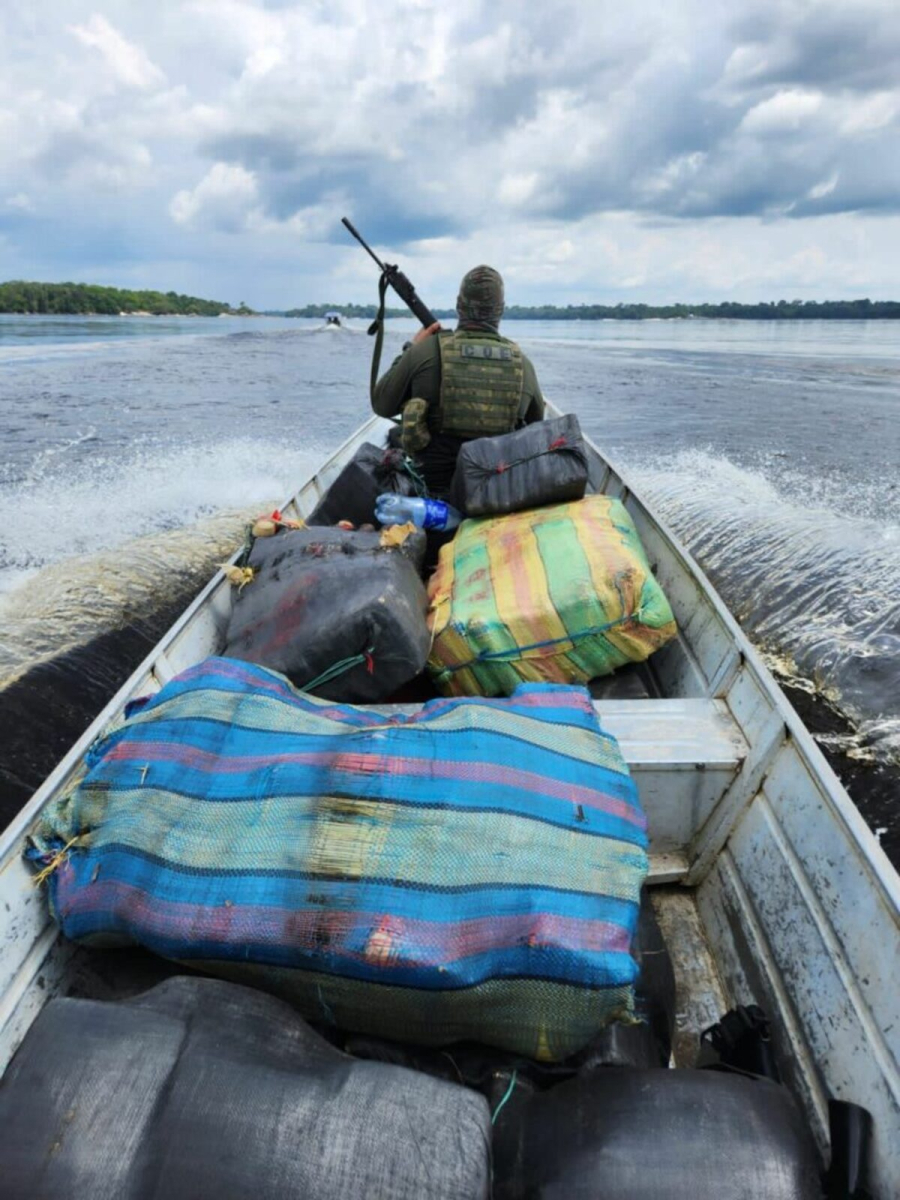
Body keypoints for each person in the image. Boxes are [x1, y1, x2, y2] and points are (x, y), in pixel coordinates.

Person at [372, 265, 545, 497]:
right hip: (496, 494)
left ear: (458, 305)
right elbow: (536, 431)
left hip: (430, 491)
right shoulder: (523, 365)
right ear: (500, 310)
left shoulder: (424, 351)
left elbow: (382, 405)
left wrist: (410, 349)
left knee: (395, 436)